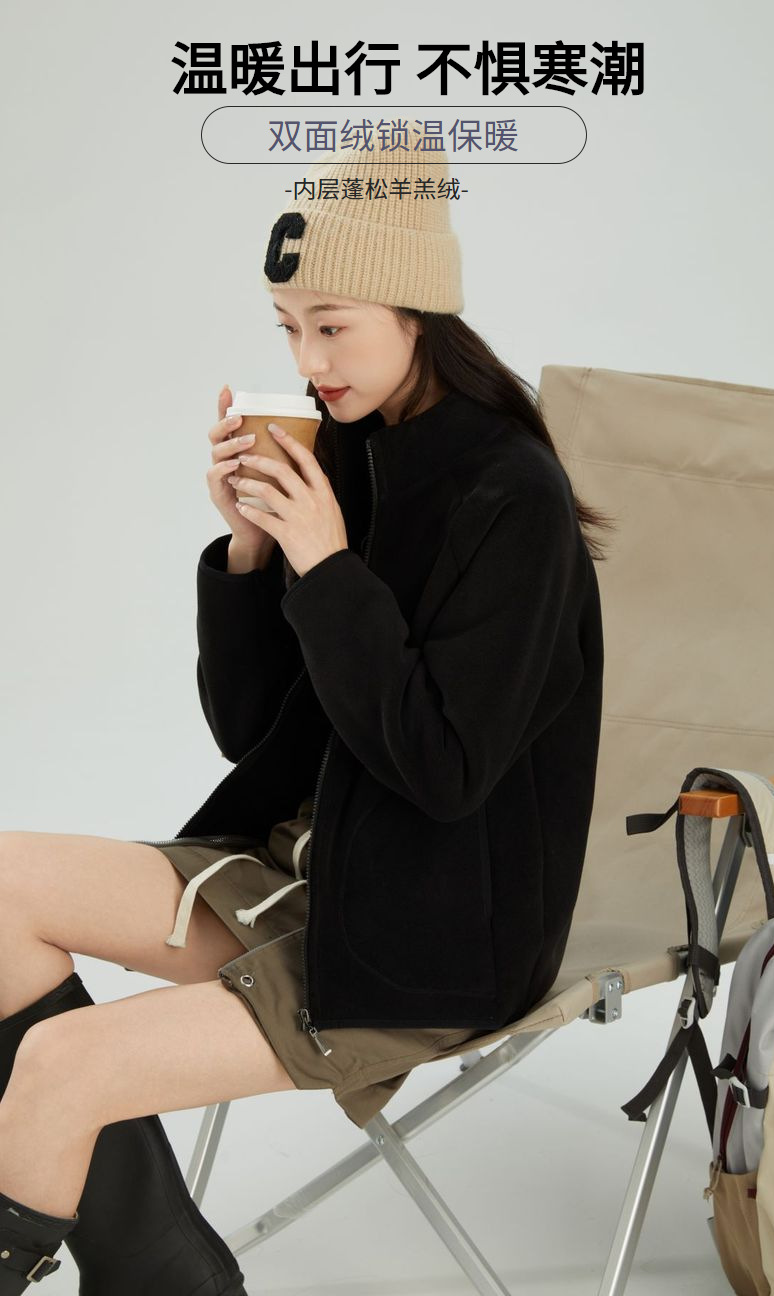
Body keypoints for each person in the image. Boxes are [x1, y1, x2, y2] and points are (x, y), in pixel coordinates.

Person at [0, 122, 611, 1292]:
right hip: (306, 870)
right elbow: (258, 736)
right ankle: (170, 1273)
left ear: (417, 314)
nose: (310, 359)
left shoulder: (511, 496)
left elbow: (443, 770)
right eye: (288, 328)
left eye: (332, 325)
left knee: (60, 1068)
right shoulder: (350, 454)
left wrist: (327, 566)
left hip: (432, 929)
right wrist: (248, 551)